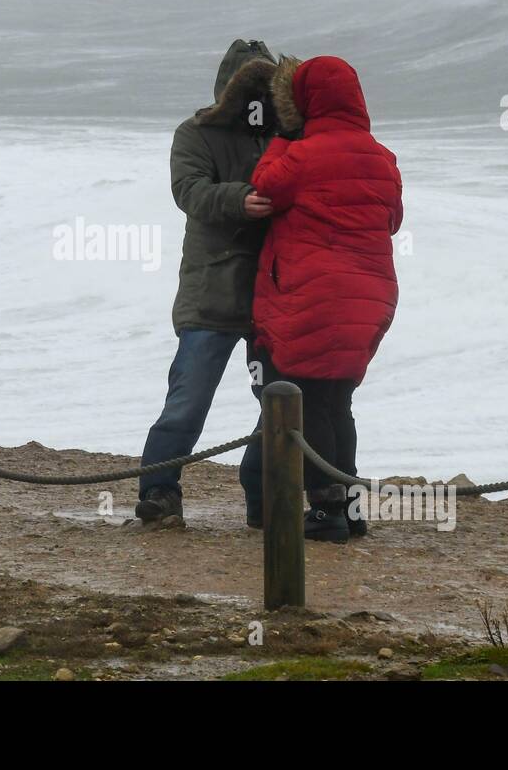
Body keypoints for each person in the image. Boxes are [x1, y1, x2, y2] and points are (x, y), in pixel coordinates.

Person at [239, 55, 403, 541]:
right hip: (370, 296)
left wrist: (285, 135)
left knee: (306, 402)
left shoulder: (300, 154)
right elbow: (392, 219)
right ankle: (351, 509)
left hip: (312, 294)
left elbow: (264, 187)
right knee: (338, 402)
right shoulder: (382, 156)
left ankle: (327, 511)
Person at [136, 39, 280, 524]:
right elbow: (189, 192)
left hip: (274, 293)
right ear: (230, 90)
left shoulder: (289, 133)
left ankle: (262, 494)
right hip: (212, 290)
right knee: (188, 400)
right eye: (252, 89)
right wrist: (240, 200)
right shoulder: (194, 132)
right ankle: (159, 492)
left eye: (268, 89)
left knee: (280, 402)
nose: (258, 100)